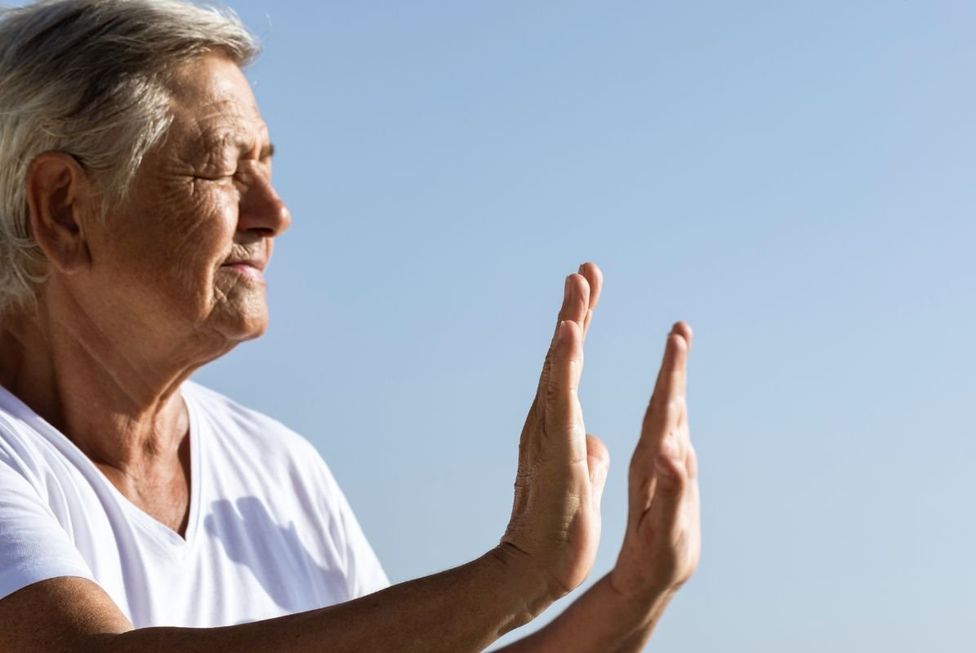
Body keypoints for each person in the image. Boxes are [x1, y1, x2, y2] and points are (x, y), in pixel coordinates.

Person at [0, 1, 700, 651]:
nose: (275, 212)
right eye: (219, 168)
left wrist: (633, 592)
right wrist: (517, 574)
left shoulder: (280, 468)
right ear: (64, 209)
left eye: (268, 167)